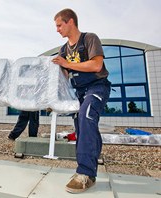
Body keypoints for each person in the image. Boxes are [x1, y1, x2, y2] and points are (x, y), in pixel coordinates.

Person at [52, 9, 111, 193]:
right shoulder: (63, 50)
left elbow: (96, 65)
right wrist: (52, 97)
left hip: (97, 87)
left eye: (59, 25)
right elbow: (63, 78)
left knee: (86, 116)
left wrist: (67, 64)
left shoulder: (89, 39)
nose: (57, 30)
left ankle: (85, 172)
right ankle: (90, 171)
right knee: (83, 127)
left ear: (70, 22)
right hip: (79, 92)